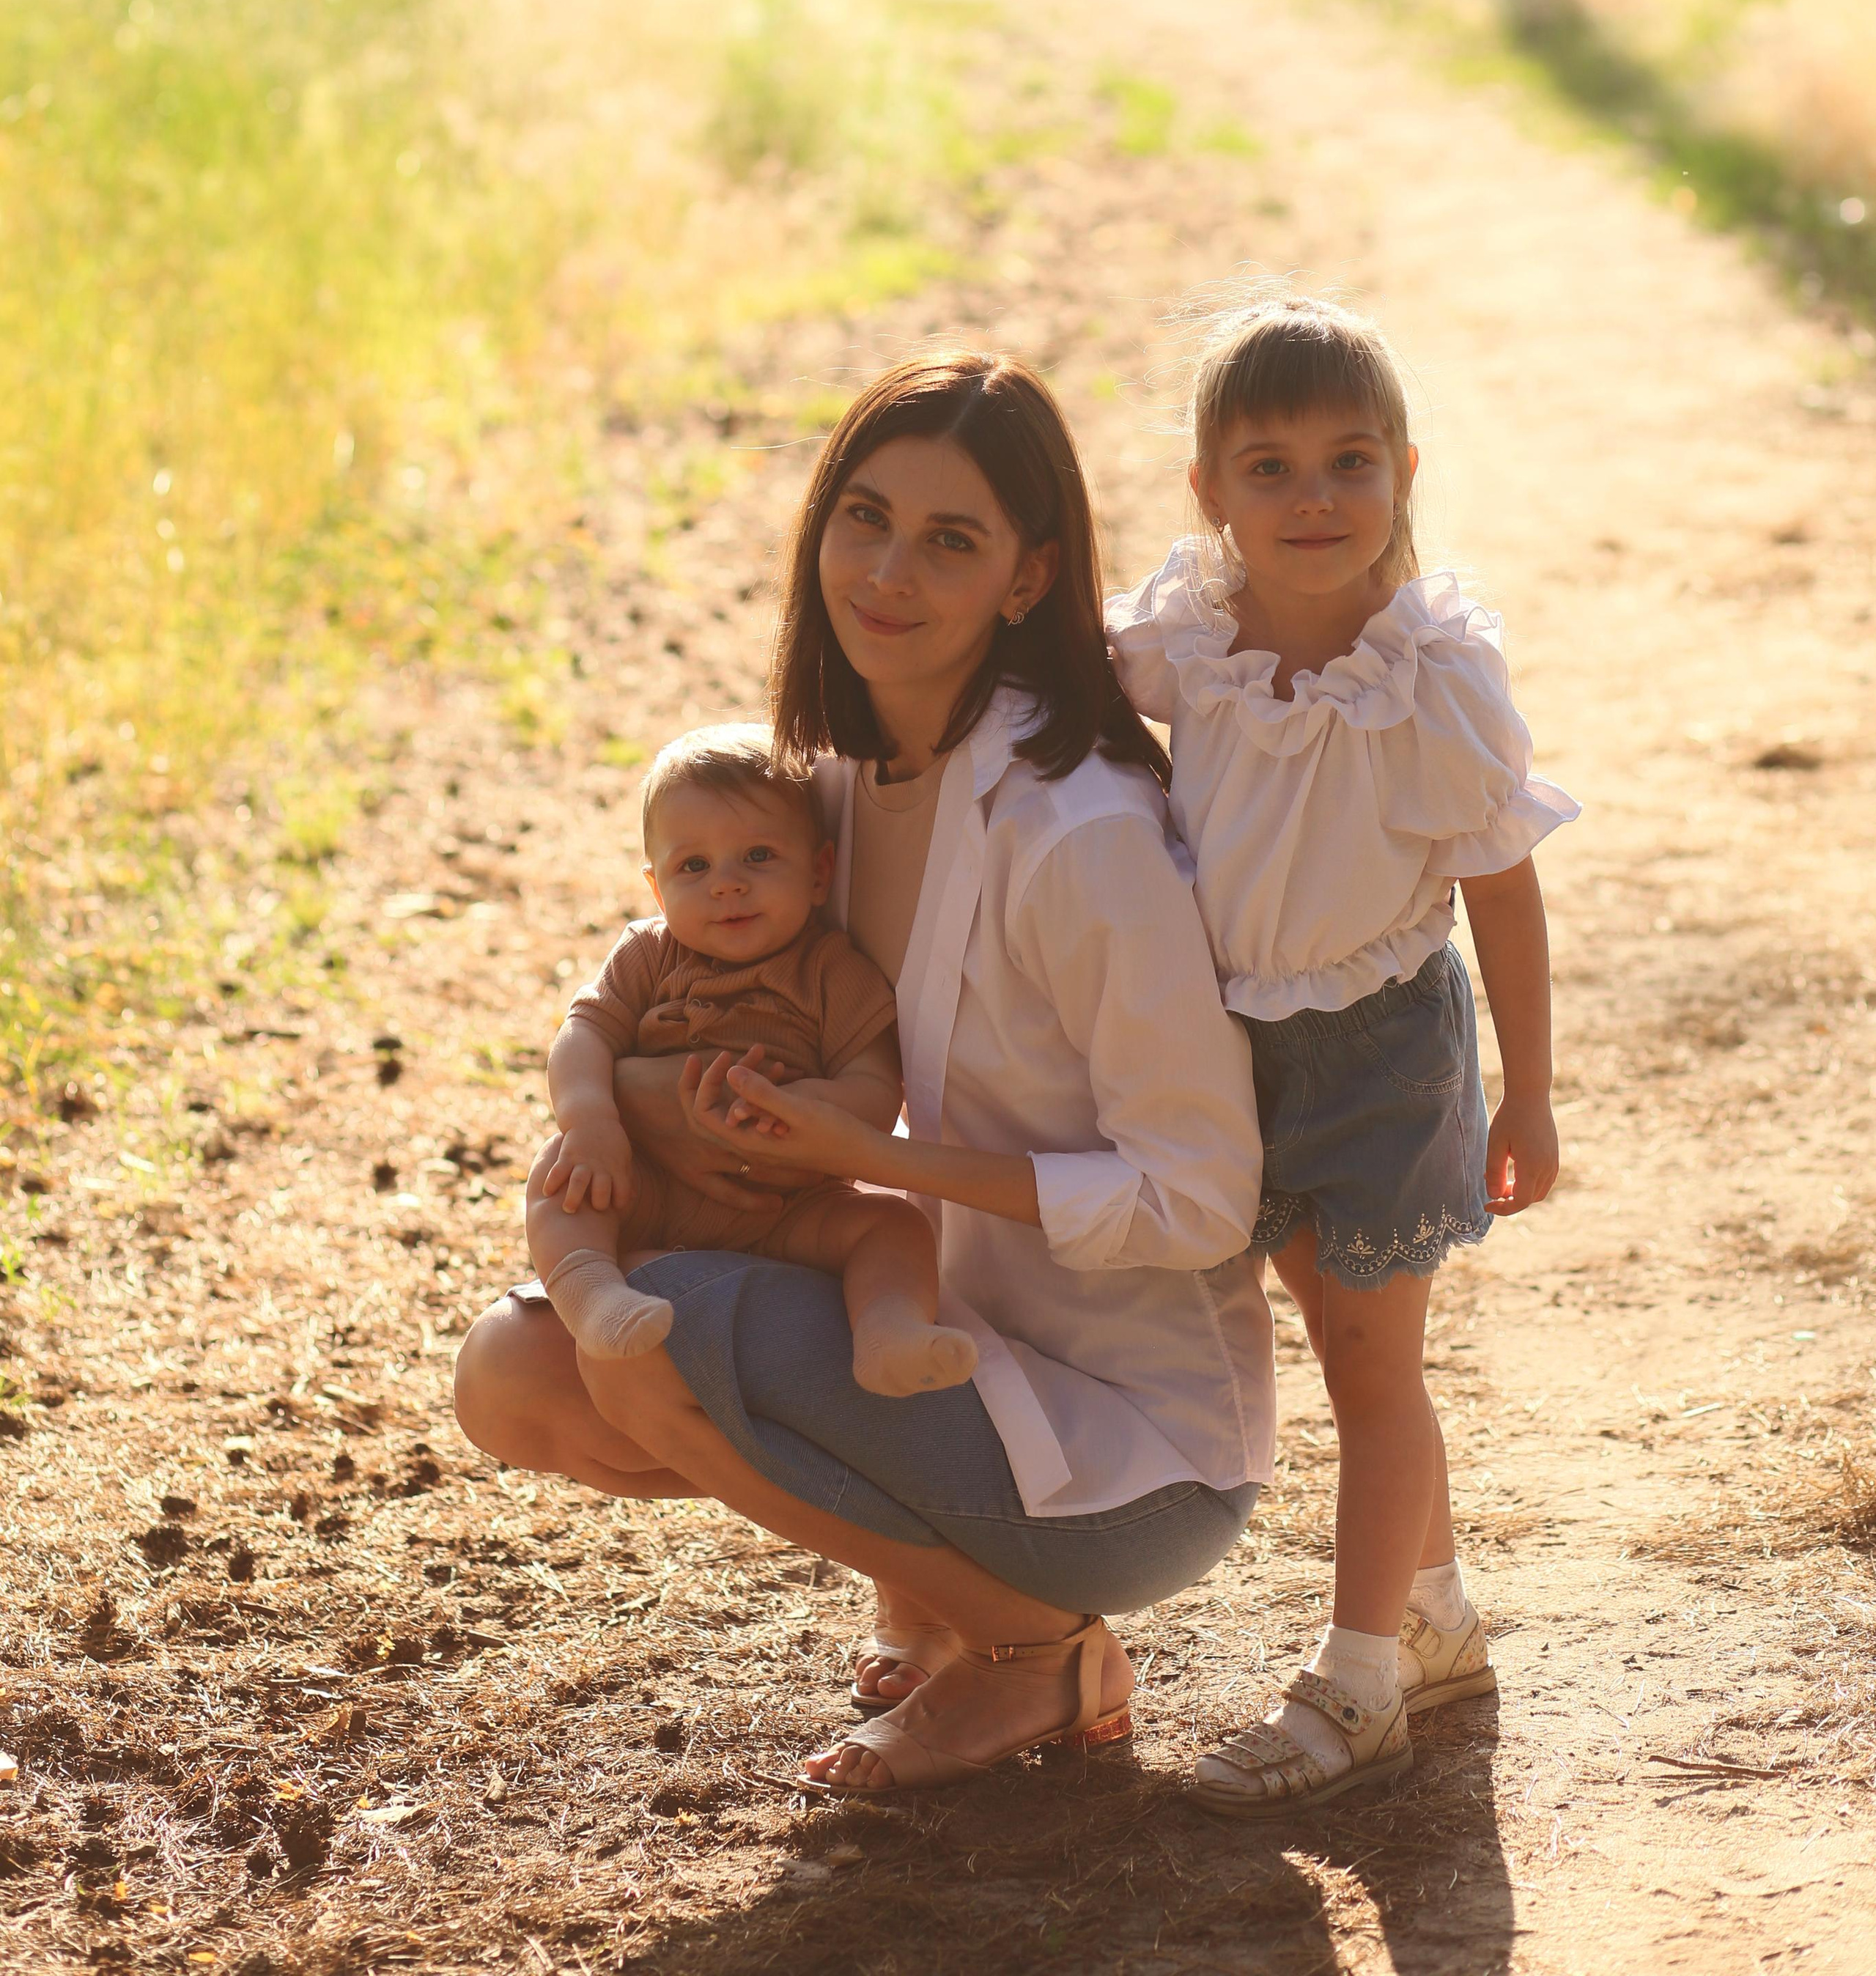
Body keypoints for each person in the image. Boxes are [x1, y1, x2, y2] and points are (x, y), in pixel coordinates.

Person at [455, 351, 1274, 1795]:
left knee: (653, 1325)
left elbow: (1200, 1200)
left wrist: (886, 1164)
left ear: (1024, 580)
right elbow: (680, 1004)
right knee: (522, 1371)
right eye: (863, 517)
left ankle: (1030, 1652)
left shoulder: (1076, 834)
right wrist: (637, 1109)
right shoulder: (832, 783)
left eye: (948, 541)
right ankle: (943, 1606)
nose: (886, 571)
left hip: (1134, 1452)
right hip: (939, 1344)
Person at [1107, 292, 1577, 1817]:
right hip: (1228, 1045)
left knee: (1375, 1373)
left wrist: (1531, 1090)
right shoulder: (1189, 642)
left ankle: (1357, 1678)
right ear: (1207, 494)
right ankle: (1432, 1614)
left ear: (1402, 472)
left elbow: (1500, 886)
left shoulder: (1432, 676)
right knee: (1329, 1340)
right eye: (1267, 467)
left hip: (1380, 1051)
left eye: (1347, 461)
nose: (1312, 497)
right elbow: (1053, 686)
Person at [526, 719, 980, 1398]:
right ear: (657, 890)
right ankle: (595, 1298)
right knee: (560, 1180)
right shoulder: (649, 954)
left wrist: (804, 1110)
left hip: (789, 1205)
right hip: (650, 1187)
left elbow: (876, 1091)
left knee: (892, 1225)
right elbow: (583, 1033)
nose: (728, 885)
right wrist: (593, 1120)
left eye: (759, 857)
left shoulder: (833, 971)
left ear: (820, 872)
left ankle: (890, 1335)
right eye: (695, 866)